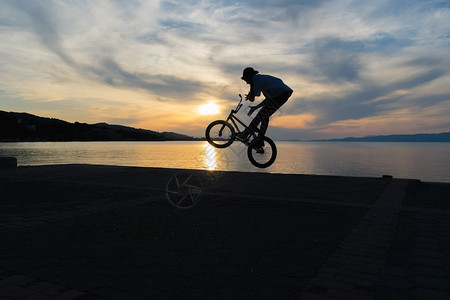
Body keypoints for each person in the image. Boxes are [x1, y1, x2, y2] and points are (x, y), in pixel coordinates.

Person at [237, 67, 293, 144]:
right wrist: (255, 107)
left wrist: (250, 94)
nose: (246, 82)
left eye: (246, 80)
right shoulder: (261, 81)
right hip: (280, 94)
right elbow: (268, 100)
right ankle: (257, 137)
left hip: (282, 94)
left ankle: (250, 135)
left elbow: (252, 98)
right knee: (263, 115)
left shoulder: (256, 79)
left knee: (262, 115)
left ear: (249, 76)